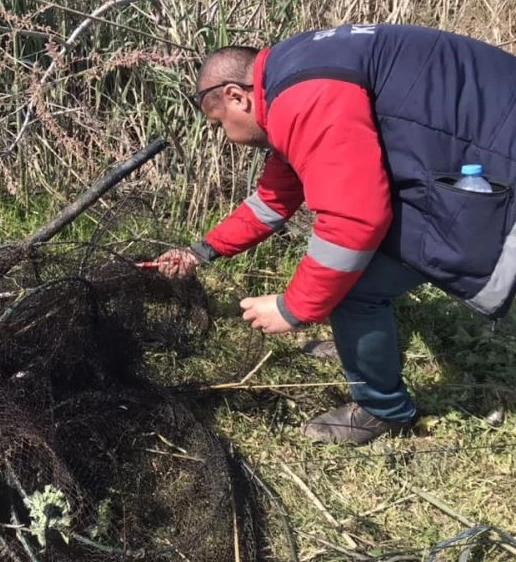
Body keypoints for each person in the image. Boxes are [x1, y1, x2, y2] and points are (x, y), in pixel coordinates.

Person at [156, 23, 516, 445]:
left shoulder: (303, 96)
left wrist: (293, 308)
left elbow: (354, 220)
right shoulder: (294, 74)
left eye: (219, 124)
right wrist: (201, 252)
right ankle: (354, 344)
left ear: (237, 96)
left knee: (354, 286)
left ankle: (382, 411)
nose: (227, 138)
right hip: (480, 146)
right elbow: (274, 199)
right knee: (347, 271)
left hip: (498, 160)